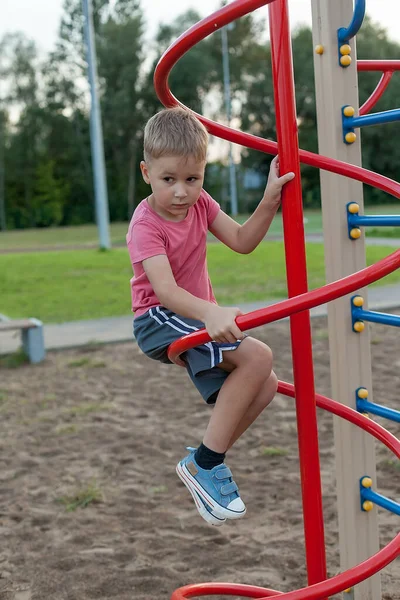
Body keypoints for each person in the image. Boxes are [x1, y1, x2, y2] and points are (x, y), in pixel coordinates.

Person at [126, 107, 294, 526]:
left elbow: (241, 240)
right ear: (147, 172)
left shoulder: (201, 204)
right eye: (169, 180)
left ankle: (203, 461)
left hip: (194, 316)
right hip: (158, 318)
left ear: (203, 174)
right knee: (258, 357)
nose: (182, 192)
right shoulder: (145, 223)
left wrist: (269, 199)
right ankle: (206, 464)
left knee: (265, 384)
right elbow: (164, 291)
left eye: (192, 179)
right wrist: (211, 312)